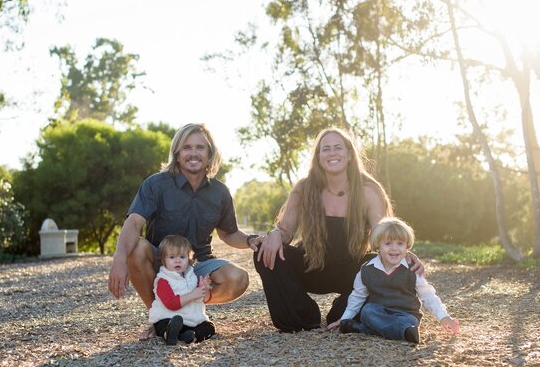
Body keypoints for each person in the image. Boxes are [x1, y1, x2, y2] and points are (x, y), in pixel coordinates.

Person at [254, 127, 424, 333]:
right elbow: (285, 230)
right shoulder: (304, 188)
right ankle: (304, 316)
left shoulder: (368, 190)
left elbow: (385, 234)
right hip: (311, 265)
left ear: (350, 155)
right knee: (263, 252)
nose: (332, 153)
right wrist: (274, 235)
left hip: (351, 271)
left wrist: (403, 253)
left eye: (338, 148)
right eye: (325, 149)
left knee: (378, 264)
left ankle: (342, 315)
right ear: (318, 157)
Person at [108, 123, 262, 340]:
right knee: (137, 249)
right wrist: (119, 258)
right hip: (161, 266)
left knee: (238, 278)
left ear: (210, 154)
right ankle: (160, 320)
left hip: (197, 264)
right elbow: (134, 223)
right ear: (177, 154)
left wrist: (250, 240)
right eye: (187, 147)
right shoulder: (156, 184)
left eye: (200, 147)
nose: (193, 153)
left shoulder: (220, 192)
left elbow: (229, 233)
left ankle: (185, 315)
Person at [327, 217, 460, 343]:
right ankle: (403, 333)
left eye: (400, 243)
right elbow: (357, 297)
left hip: (406, 315)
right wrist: (344, 319)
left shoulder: (412, 269)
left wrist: (444, 316)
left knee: (406, 322)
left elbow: (427, 294)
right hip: (378, 313)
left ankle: (364, 329)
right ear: (377, 245)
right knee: (367, 311)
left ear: (407, 246)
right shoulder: (366, 270)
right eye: (388, 243)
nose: (394, 248)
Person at [149, 235, 217, 345]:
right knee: (162, 325)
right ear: (163, 260)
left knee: (209, 327)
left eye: (182, 257)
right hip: (168, 317)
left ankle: (191, 337)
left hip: (191, 319)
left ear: (189, 258)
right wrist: (193, 295)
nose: (177, 261)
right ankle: (169, 334)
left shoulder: (191, 276)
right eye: (172, 257)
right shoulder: (163, 280)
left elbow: (205, 299)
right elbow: (171, 304)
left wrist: (204, 289)